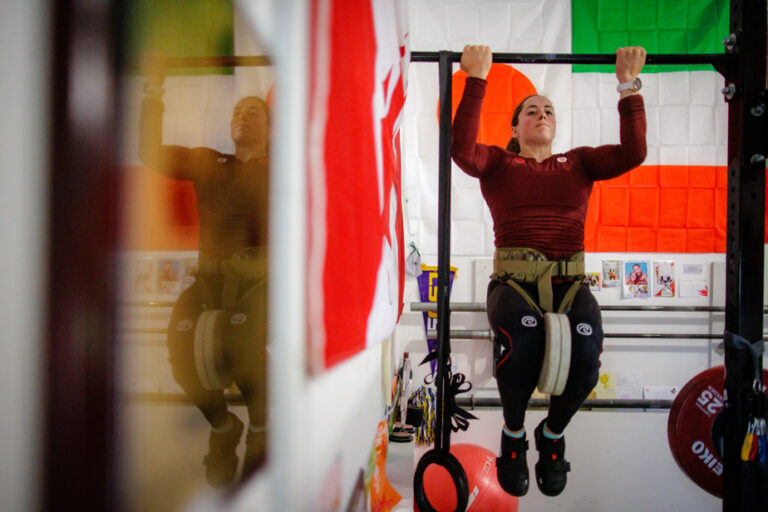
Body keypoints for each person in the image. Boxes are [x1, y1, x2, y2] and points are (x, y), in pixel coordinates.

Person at [452, 44, 647, 497]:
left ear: (555, 126)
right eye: (531, 110)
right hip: (512, 285)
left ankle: (553, 435)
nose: (542, 114)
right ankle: (515, 434)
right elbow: (461, 150)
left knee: (586, 357)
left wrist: (628, 85)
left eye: (549, 110)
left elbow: (634, 152)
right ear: (516, 127)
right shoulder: (499, 163)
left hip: (570, 284)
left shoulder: (578, 162)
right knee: (522, 346)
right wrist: (476, 79)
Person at [139, 51, 270, 487]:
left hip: (260, 284)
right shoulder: (208, 163)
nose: (243, 116)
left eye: (254, 112)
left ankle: (259, 430)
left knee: (243, 342)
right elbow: (149, 152)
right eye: (238, 110)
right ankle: (222, 427)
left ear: (270, 129)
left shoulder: (284, 171)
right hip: (209, 280)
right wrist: (153, 89)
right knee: (180, 348)